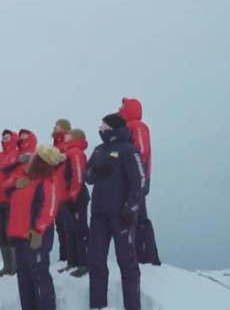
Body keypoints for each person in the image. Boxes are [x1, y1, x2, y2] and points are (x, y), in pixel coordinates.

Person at [85, 114, 146, 310]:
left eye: (103, 125)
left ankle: (133, 306)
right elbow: (86, 176)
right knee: (96, 261)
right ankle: (97, 306)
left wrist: (131, 208)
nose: (100, 129)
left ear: (112, 127)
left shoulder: (129, 150)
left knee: (127, 263)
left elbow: (139, 180)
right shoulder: (98, 150)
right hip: (98, 215)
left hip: (121, 216)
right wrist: (95, 172)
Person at [5, 144, 64, 310]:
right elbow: (6, 188)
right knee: (24, 277)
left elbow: (50, 208)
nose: (30, 159)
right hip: (19, 235)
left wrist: (39, 230)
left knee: (39, 275)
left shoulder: (48, 182)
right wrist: (15, 183)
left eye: (35, 157)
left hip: (35, 236)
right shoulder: (26, 178)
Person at [117, 98, 160, 266]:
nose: (119, 108)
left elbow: (141, 151)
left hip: (137, 178)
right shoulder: (129, 127)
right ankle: (141, 256)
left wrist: (135, 174)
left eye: (123, 106)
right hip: (134, 178)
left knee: (139, 216)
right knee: (135, 216)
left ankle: (147, 258)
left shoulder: (136, 126)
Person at [60, 128, 91, 277]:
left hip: (76, 198)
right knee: (70, 231)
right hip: (67, 197)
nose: (65, 135)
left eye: (69, 134)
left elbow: (78, 176)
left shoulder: (75, 153)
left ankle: (85, 264)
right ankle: (72, 263)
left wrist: (72, 196)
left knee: (80, 231)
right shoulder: (67, 153)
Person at [0, 130, 19, 277]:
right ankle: (6, 265)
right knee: (0, 231)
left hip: (10, 199)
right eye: (3, 137)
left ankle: (14, 265)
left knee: (10, 231)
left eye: (7, 137)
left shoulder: (17, 154)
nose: (4, 140)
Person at [50, 119, 72, 267]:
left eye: (57, 125)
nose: (54, 127)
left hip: (64, 191)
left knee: (68, 227)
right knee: (60, 228)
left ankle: (71, 258)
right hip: (56, 192)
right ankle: (63, 258)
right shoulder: (56, 146)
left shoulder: (66, 147)